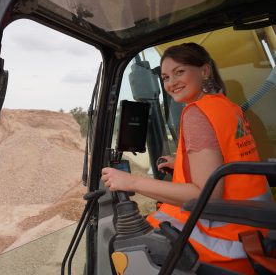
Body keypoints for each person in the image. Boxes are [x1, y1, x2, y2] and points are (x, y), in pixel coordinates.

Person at [101, 43, 273, 274]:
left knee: (127, 247)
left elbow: (207, 196)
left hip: (224, 241)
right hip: (257, 232)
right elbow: (229, 156)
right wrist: (182, 162)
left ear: (204, 71)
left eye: (179, 72)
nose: (171, 83)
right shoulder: (229, 108)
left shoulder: (196, 113)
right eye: (165, 77)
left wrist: (131, 182)